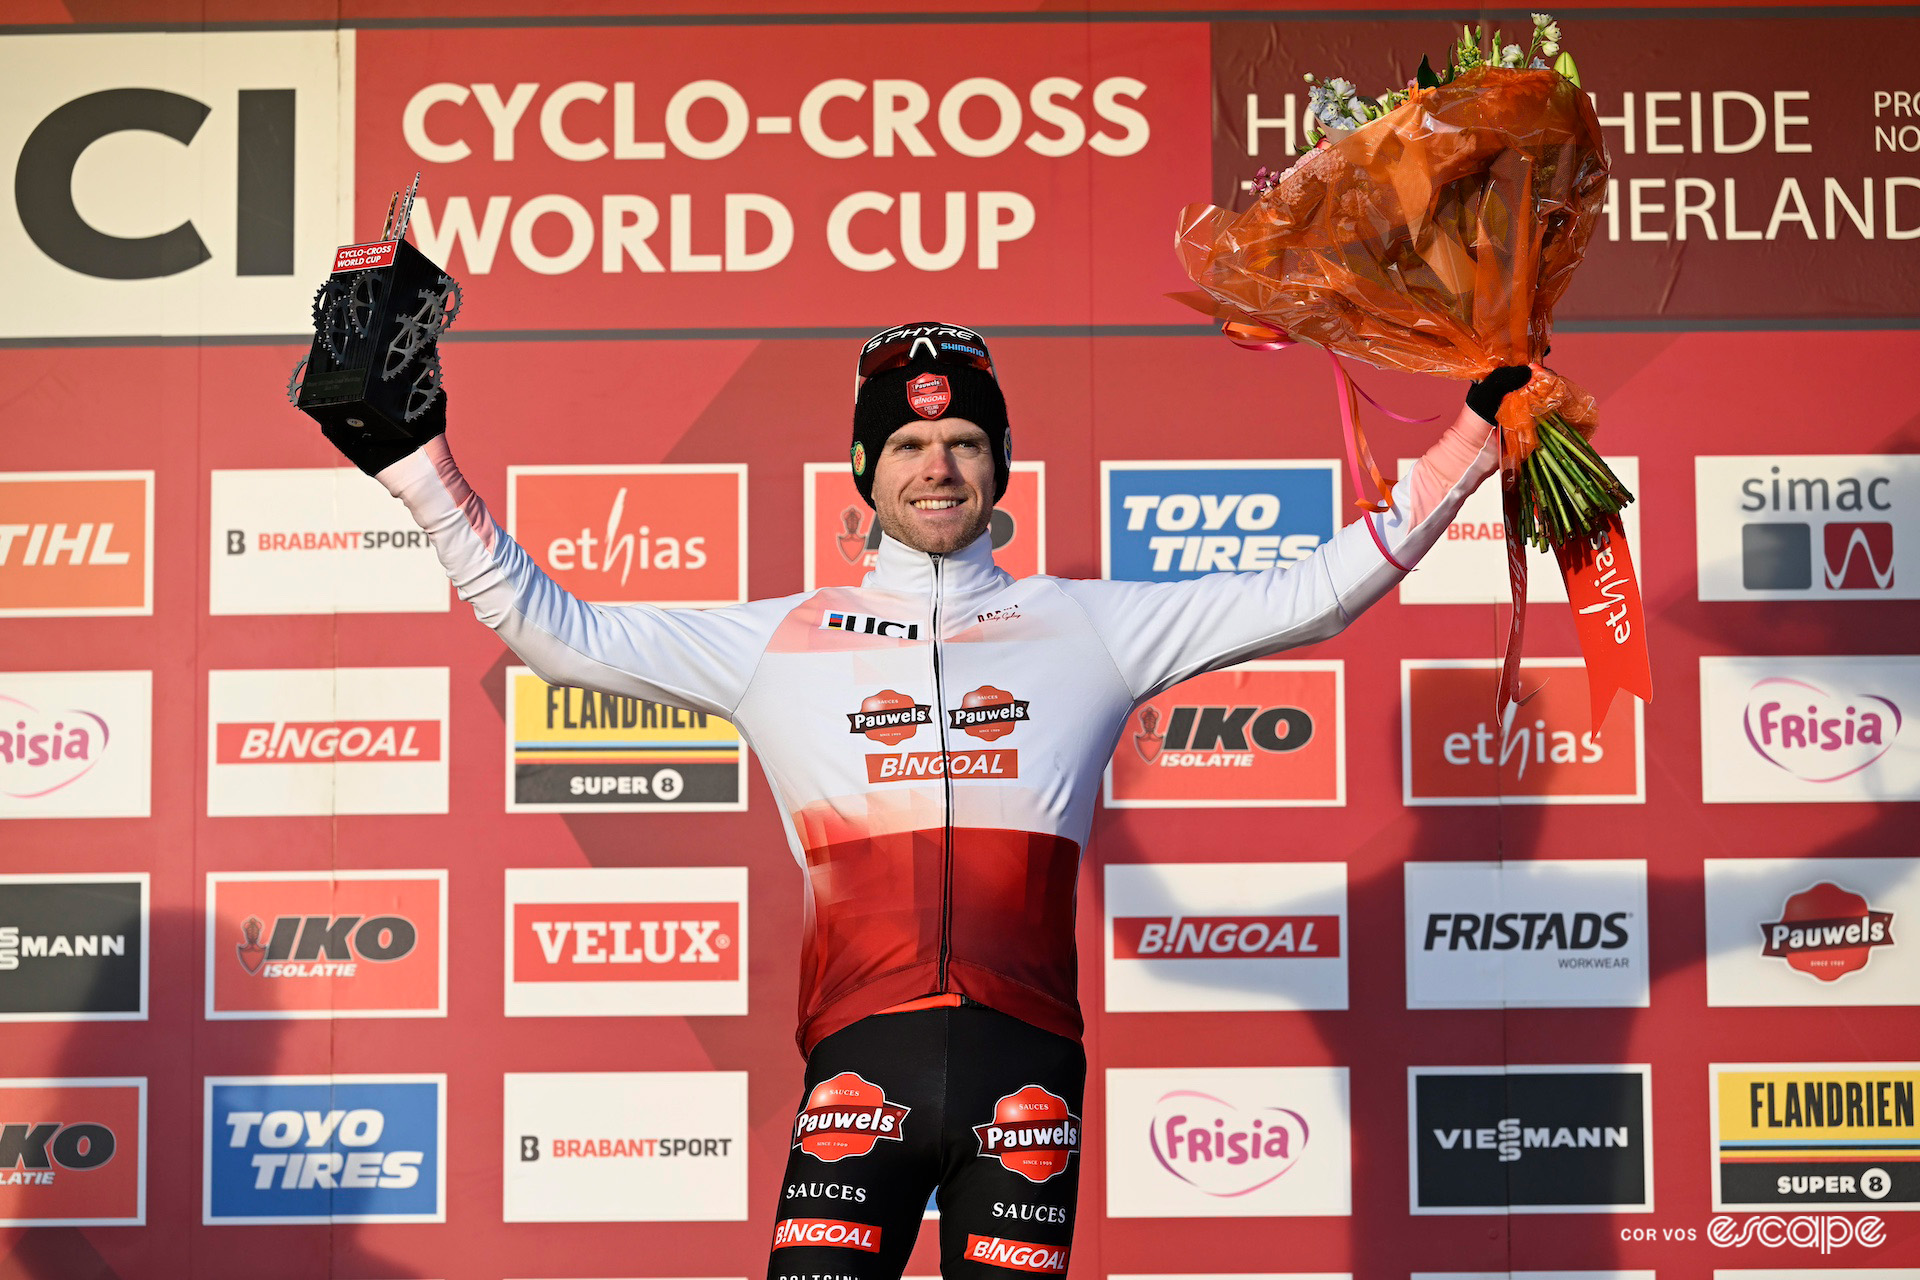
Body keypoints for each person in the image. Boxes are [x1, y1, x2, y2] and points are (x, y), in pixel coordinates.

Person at [316, 320, 1530, 1280]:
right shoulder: (777, 638)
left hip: (1028, 1072)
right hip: (861, 1066)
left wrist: (1470, 441)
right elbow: (553, 629)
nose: (936, 465)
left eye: (961, 445)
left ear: (999, 465)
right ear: (863, 468)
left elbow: (1316, 588)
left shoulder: (1091, 621)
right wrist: (419, 468)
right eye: (905, 445)